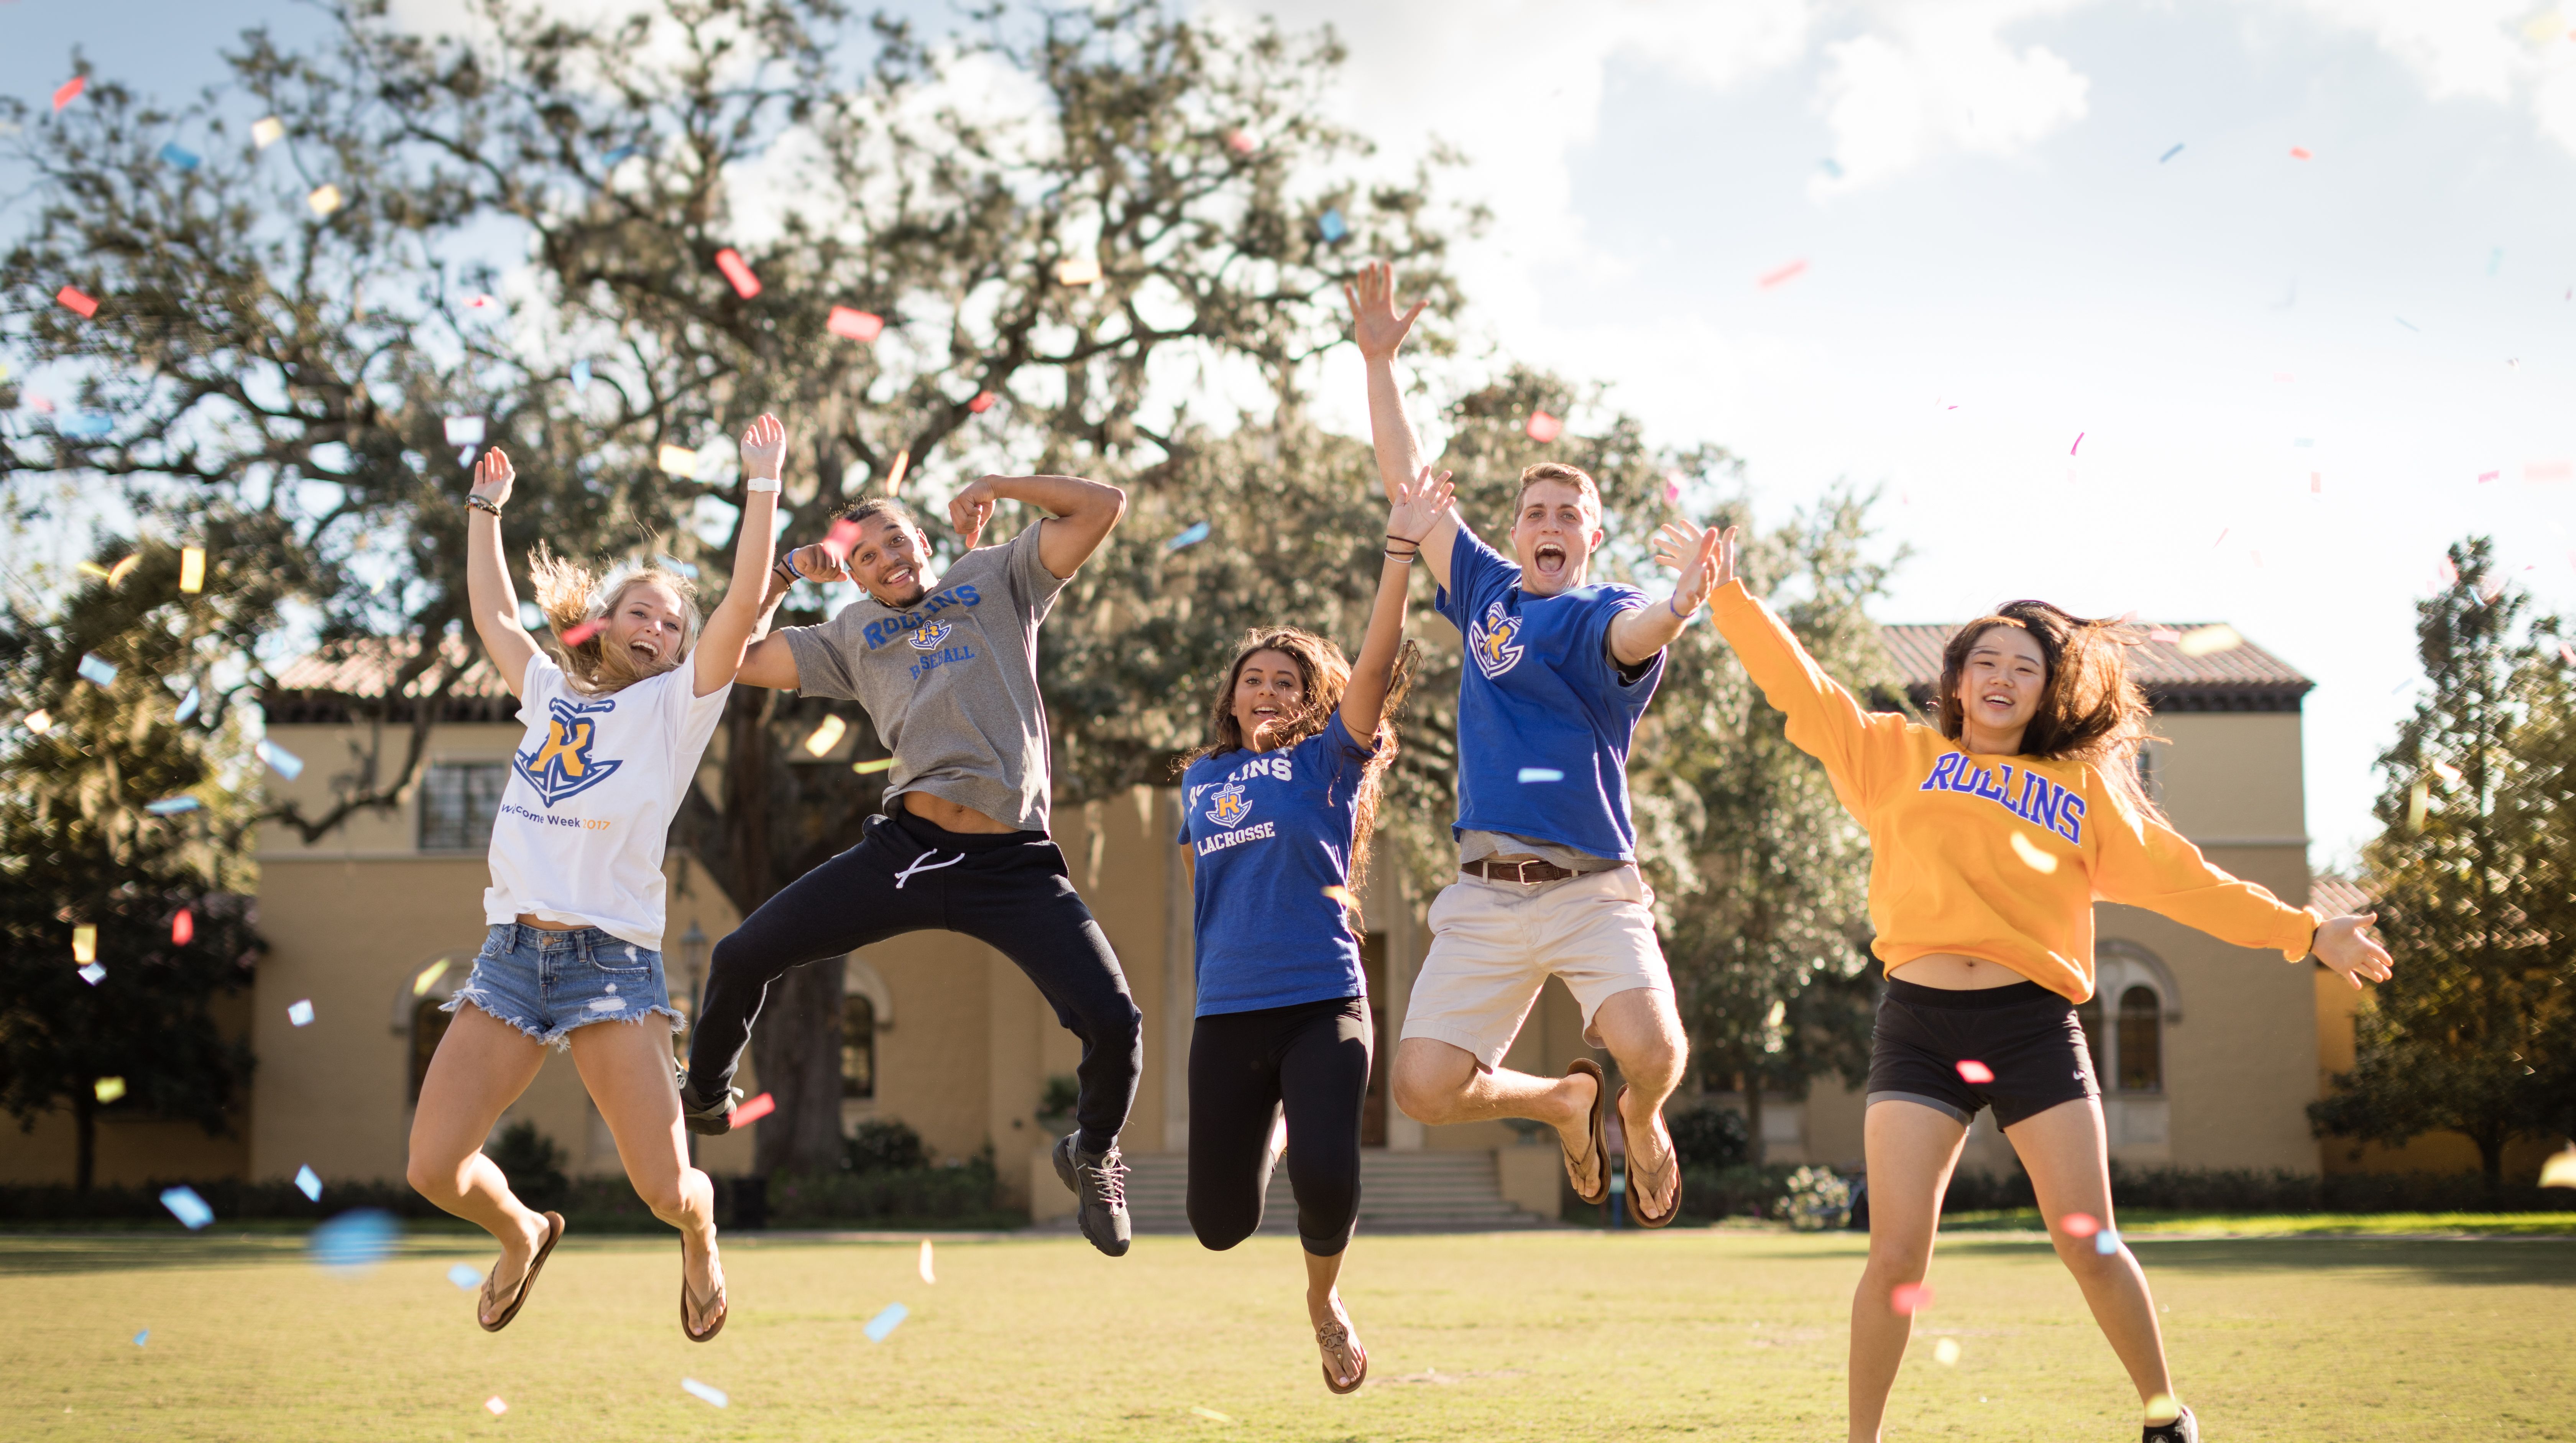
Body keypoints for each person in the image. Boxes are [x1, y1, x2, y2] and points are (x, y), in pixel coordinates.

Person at [1702, 528, 2394, 1443]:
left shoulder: (2081, 790)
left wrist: (2308, 931)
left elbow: (2187, 881)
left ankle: (2166, 1418)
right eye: (1985, 662)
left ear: (2046, 690)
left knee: (2087, 1240)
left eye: (2023, 667)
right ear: (1956, 682)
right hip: (1919, 1028)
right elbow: (1802, 687)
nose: (2002, 676)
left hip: (2031, 1026)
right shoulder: (1892, 756)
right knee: (1896, 1255)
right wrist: (1730, 598)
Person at [678, 468, 1145, 1257]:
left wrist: (999, 482)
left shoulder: (996, 577)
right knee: (740, 954)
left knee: (1114, 1021)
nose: (885, 558)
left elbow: (1104, 506)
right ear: (854, 577)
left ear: (922, 542)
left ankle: (1093, 1152)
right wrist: (786, 574)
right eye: (864, 555)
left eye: (895, 540)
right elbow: (726, 659)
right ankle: (705, 1092)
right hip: (910, 853)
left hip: (1014, 864)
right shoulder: (849, 635)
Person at [1346, 260, 1717, 1225]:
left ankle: (1639, 1113)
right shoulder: (1484, 590)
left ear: (1591, 537)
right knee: (1424, 1088)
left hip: (1591, 888)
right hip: (1485, 891)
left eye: (1570, 516)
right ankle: (1561, 1100)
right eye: (1537, 514)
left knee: (1655, 1051)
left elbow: (1636, 636)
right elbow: (1409, 487)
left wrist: (1679, 606)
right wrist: (1380, 364)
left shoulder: (1606, 610)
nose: (1551, 526)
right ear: (1515, 532)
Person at [407, 415, 793, 1342]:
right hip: (510, 960)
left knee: (664, 1190)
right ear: (605, 623)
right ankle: (522, 1230)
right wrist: (484, 510)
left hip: (610, 968)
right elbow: (496, 617)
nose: (657, 628)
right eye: (641, 613)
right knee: (433, 1169)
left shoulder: (677, 707)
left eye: (672, 623)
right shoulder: (547, 690)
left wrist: (763, 484)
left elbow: (742, 604)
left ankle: (701, 1233)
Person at [1176, 465, 1453, 1394]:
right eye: (1252, 679)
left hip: (1322, 998)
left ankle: (1325, 1302)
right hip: (1229, 1010)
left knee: (1330, 1180)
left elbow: (1373, 665)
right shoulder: (1201, 780)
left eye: (1285, 681)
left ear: (1309, 700)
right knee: (1219, 1224)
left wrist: (1399, 553)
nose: (1265, 689)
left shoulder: (1331, 762)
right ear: (1232, 697)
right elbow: (1204, 887)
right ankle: (1281, 1123)